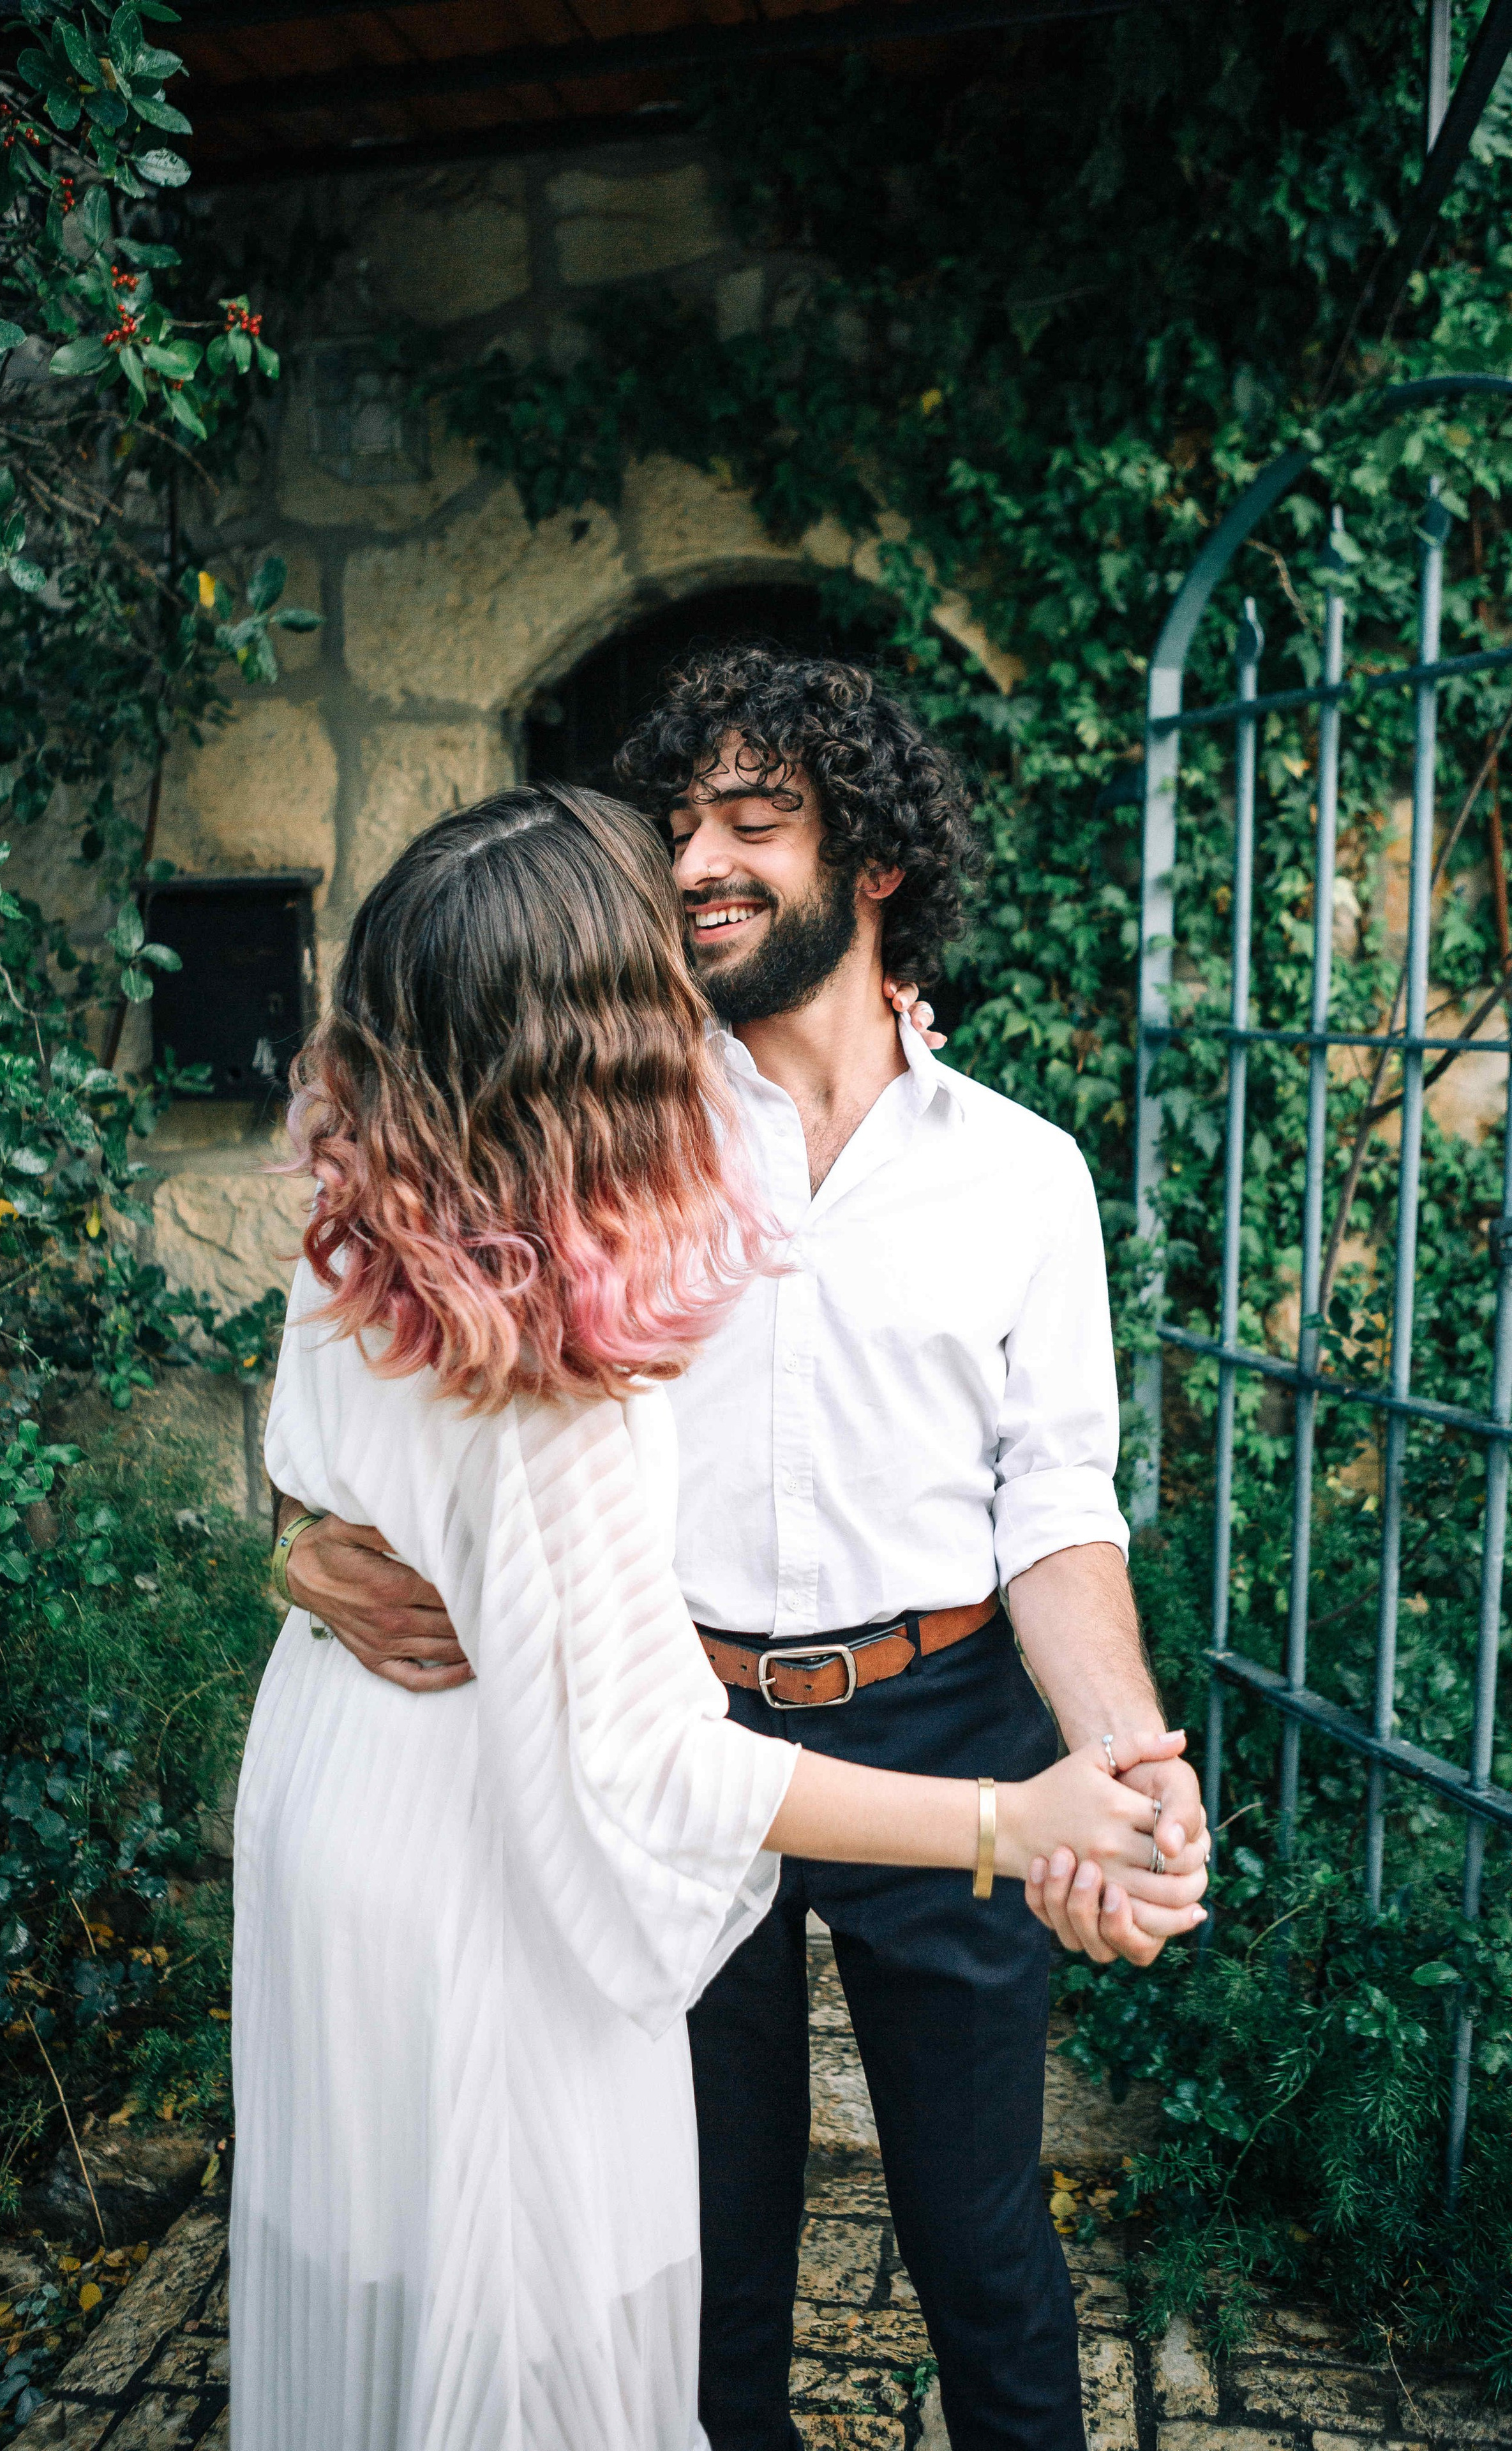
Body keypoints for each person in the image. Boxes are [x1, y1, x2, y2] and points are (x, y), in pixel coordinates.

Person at [271, 664, 1211, 2451]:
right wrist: (306, 1550)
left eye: (755, 823)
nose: (696, 859)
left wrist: (1112, 1767)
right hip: (663, 1733)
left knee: (986, 2246)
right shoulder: (597, 1121)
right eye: (681, 823)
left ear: (877, 865)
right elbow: (379, 1357)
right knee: (701, 2264)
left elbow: (1056, 1505)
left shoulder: (1024, 1176)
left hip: (942, 1715)